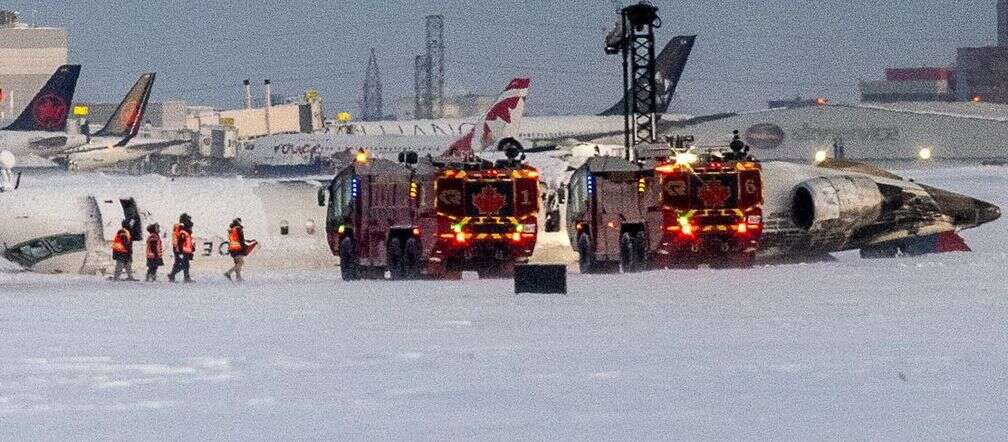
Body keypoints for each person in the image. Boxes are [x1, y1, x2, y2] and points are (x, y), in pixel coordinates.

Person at [168, 213, 195, 283]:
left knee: (181, 263)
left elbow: (187, 241)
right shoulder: (183, 230)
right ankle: (183, 277)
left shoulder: (184, 229)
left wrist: (191, 249)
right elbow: (181, 242)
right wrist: (180, 252)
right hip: (182, 250)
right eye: (188, 219)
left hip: (182, 250)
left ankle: (173, 275)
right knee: (183, 264)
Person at [224, 218, 247, 282]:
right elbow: (241, 239)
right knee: (241, 262)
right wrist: (244, 247)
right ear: (239, 222)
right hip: (238, 248)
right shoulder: (238, 229)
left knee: (237, 263)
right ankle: (228, 273)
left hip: (232, 248)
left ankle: (238, 277)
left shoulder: (232, 230)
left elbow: (234, 239)